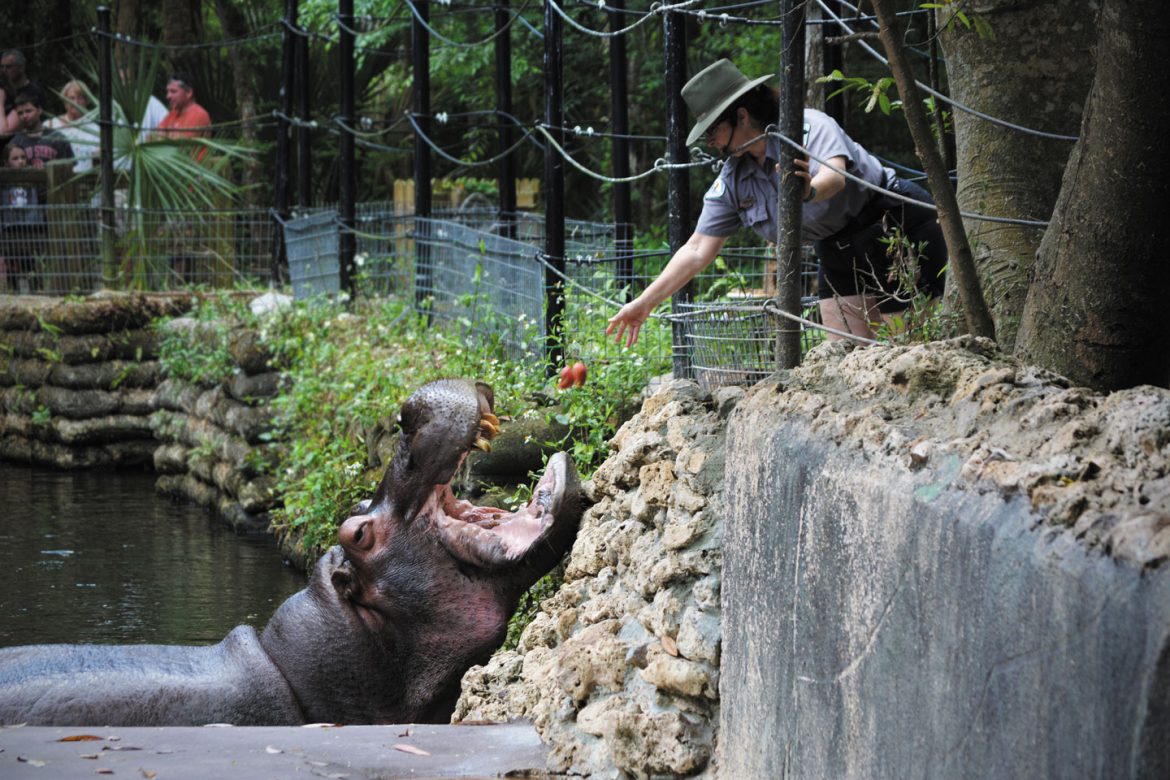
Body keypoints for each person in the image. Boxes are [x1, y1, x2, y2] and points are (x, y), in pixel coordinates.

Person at [606, 59, 948, 347]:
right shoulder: (733, 179)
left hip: (894, 223)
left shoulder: (808, 126)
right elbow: (697, 247)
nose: (709, 141)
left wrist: (809, 191)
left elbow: (835, 177)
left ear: (740, 116)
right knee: (845, 358)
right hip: (837, 248)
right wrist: (644, 302)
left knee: (907, 352)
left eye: (712, 130)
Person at [0, 141, 46, 292]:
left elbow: (44, 194)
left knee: (31, 264)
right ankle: (14, 293)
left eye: (23, 157)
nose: (20, 161)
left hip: (32, 228)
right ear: (6, 163)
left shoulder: (34, 176)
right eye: (15, 158)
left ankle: (35, 292)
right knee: (12, 264)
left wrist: (40, 173)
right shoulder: (3, 180)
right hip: (10, 229)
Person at [10, 88, 74, 172]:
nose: (24, 116)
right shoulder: (15, 142)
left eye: (28, 111)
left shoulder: (57, 138)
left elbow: (70, 167)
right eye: (20, 113)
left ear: (39, 110)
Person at [45, 80, 98, 173]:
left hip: (86, 181)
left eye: (80, 98)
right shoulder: (50, 125)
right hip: (57, 181)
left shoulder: (96, 128)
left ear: (87, 101)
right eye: (71, 98)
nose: (75, 102)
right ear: (65, 102)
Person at [1, 50, 45, 117]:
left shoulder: (33, 91)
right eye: (2, 67)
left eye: (8, 67)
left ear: (21, 67)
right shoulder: (3, 92)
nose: (4, 70)